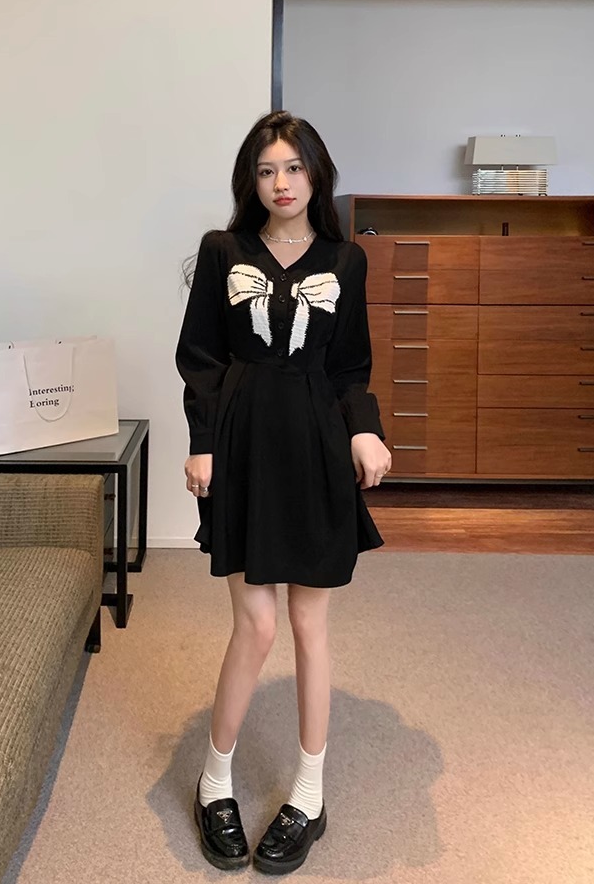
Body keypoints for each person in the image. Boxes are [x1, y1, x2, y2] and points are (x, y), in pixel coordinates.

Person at [175, 109, 391, 874]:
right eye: (267, 170)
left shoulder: (346, 259)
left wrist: (364, 430)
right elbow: (200, 356)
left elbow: (350, 366)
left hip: (317, 447)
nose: (282, 183)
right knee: (256, 625)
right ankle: (214, 782)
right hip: (242, 446)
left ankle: (309, 792)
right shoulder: (222, 251)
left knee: (308, 623)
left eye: (294, 168)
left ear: (315, 174)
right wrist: (202, 442)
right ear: (252, 181)